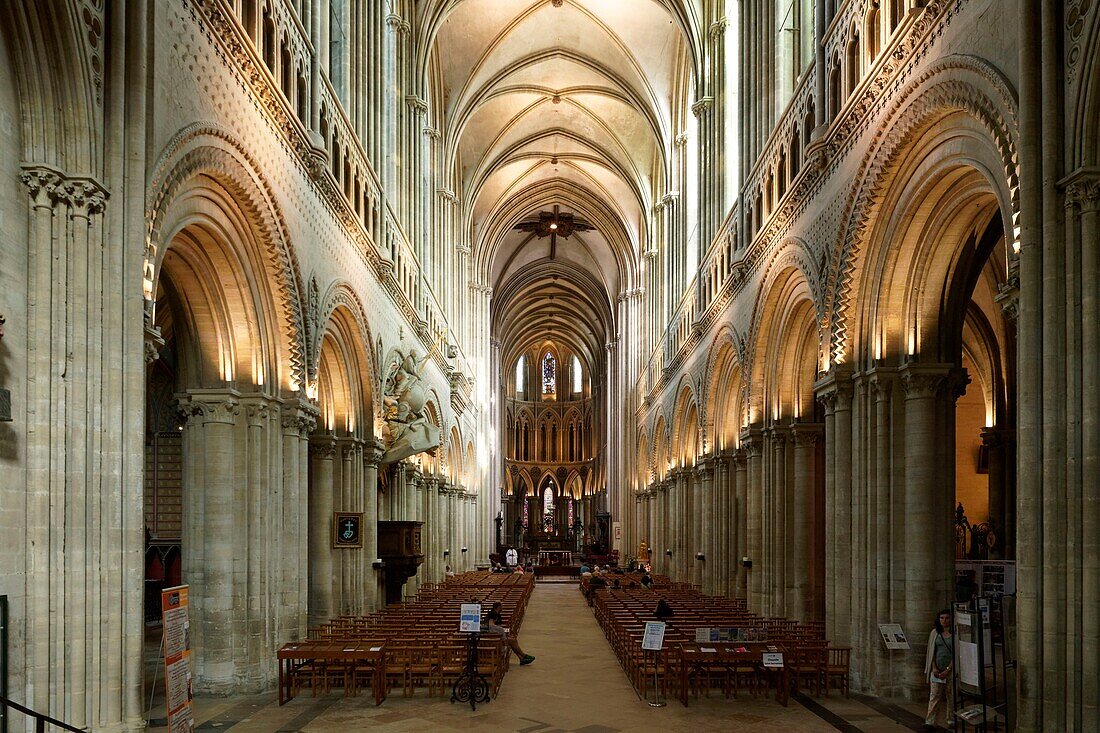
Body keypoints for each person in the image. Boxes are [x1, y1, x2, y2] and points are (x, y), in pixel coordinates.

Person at [923, 609, 955, 730]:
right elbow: (931, 652)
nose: (944, 620)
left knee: (951, 697)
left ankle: (951, 719)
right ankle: (930, 721)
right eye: (942, 618)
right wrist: (934, 667)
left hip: (950, 671)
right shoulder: (934, 633)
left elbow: (956, 654)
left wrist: (948, 669)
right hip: (936, 670)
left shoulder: (955, 634)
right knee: (934, 696)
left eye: (947, 618)